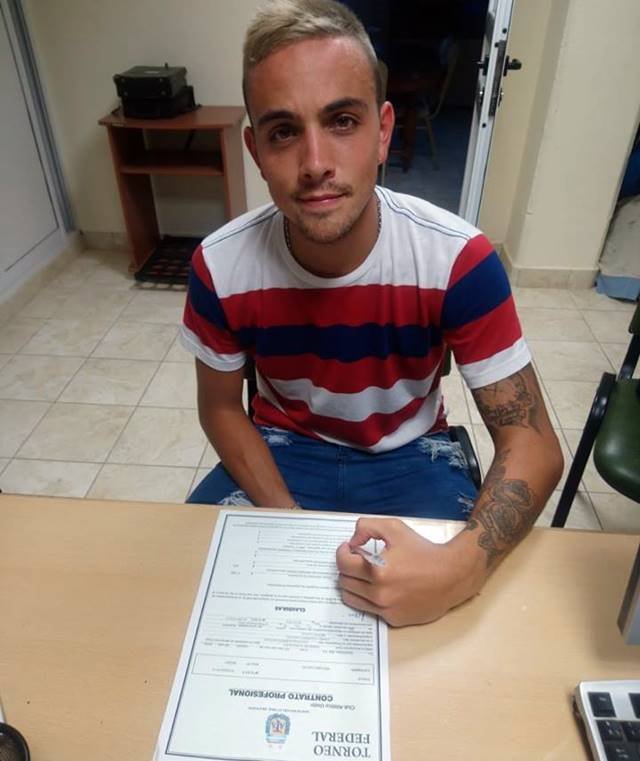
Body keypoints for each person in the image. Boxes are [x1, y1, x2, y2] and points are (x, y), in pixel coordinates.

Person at [181, 0, 564, 626]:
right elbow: (221, 407)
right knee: (186, 600)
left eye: (342, 121)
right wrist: (289, 522)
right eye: (283, 132)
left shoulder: (457, 260)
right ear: (255, 149)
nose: (315, 164)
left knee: (459, 628)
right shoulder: (219, 267)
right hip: (280, 454)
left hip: (413, 456)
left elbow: (534, 442)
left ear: (383, 131)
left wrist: (459, 569)